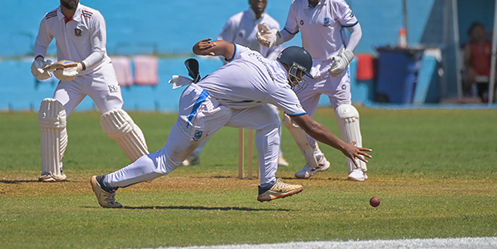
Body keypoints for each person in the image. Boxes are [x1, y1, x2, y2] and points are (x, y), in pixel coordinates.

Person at [89, 42, 372, 208]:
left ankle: (268, 184)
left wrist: (204, 48)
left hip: (217, 106)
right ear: (293, 69)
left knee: (268, 119)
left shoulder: (254, 56)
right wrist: (345, 147)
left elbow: (226, 47)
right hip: (204, 105)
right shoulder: (278, 84)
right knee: (166, 162)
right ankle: (106, 183)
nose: (300, 81)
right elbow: (309, 125)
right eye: (300, 75)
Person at [255, 0, 368, 182]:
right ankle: (315, 161)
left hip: (335, 66)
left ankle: (358, 168)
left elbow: (356, 30)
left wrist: (347, 56)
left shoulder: (337, 4)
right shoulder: (297, 5)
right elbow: (289, 32)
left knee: (346, 114)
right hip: (309, 70)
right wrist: (273, 38)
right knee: (293, 119)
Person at [31, 0, 149, 182]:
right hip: (70, 78)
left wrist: (79, 66)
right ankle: (52, 171)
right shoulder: (49, 19)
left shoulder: (92, 16)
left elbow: (99, 52)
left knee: (115, 118)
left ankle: (146, 166)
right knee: (53, 114)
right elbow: (41, 44)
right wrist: (40, 61)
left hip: (98, 73)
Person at [182, 0, 287, 167]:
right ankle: (194, 153)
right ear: (250, 0)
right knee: (214, 111)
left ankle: (277, 154)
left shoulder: (273, 24)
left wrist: (265, 70)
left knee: (272, 112)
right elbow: (223, 44)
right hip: (235, 77)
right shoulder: (236, 20)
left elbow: (275, 51)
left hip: (263, 79)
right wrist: (231, 67)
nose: (260, 0)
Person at [462, 21, 493, 100]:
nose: (479, 34)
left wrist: (492, 36)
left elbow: (493, 58)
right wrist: (469, 69)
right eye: (476, 32)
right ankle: (468, 94)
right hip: (475, 70)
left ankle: (488, 94)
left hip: (486, 69)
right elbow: (466, 61)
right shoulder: (469, 45)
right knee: (469, 75)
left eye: (480, 31)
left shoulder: (489, 44)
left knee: (496, 76)